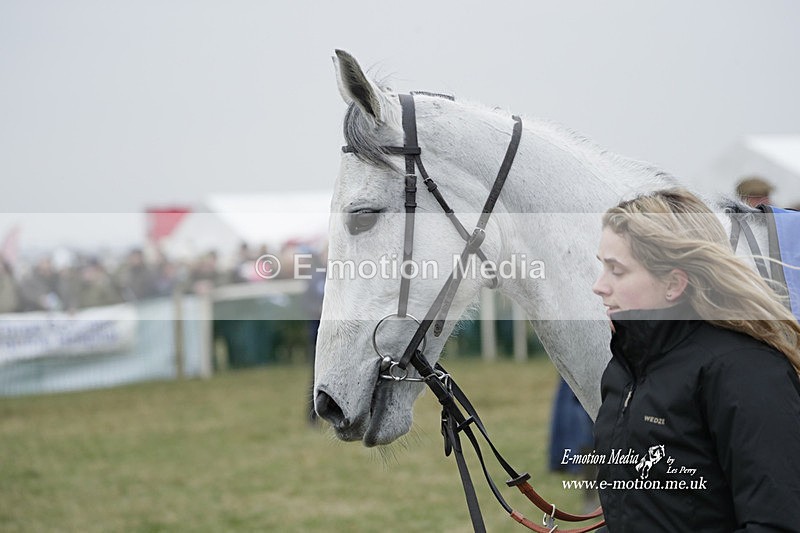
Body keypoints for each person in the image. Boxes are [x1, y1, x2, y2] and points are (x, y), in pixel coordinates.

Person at [591, 187, 800, 531]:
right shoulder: (623, 370)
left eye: (617, 270)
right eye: (602, 267)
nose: (598, 286)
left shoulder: (747, 373)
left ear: (673, 283)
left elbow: (777, 523)